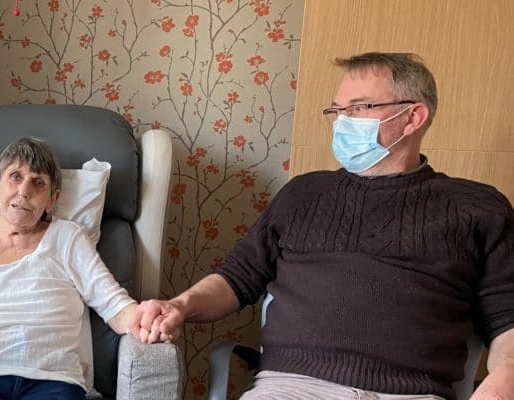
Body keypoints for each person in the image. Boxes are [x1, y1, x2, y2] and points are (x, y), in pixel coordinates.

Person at [138, 52, 514, 399]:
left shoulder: (477, 208)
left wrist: (497, 389)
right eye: (337, 110)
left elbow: (508, 321)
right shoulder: (304, 193)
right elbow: (236, 279)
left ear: (413, 117)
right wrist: (180, 305)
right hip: (288, 389)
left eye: (360, 107)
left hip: (410, 393)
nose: (342, 121)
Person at [0, 137, 170, 400]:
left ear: (52, 199)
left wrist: (147, 319)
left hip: (52, 380)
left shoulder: (68, 238)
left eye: (38, 183)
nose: (24, 191)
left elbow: (114, 305)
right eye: (15, 177)